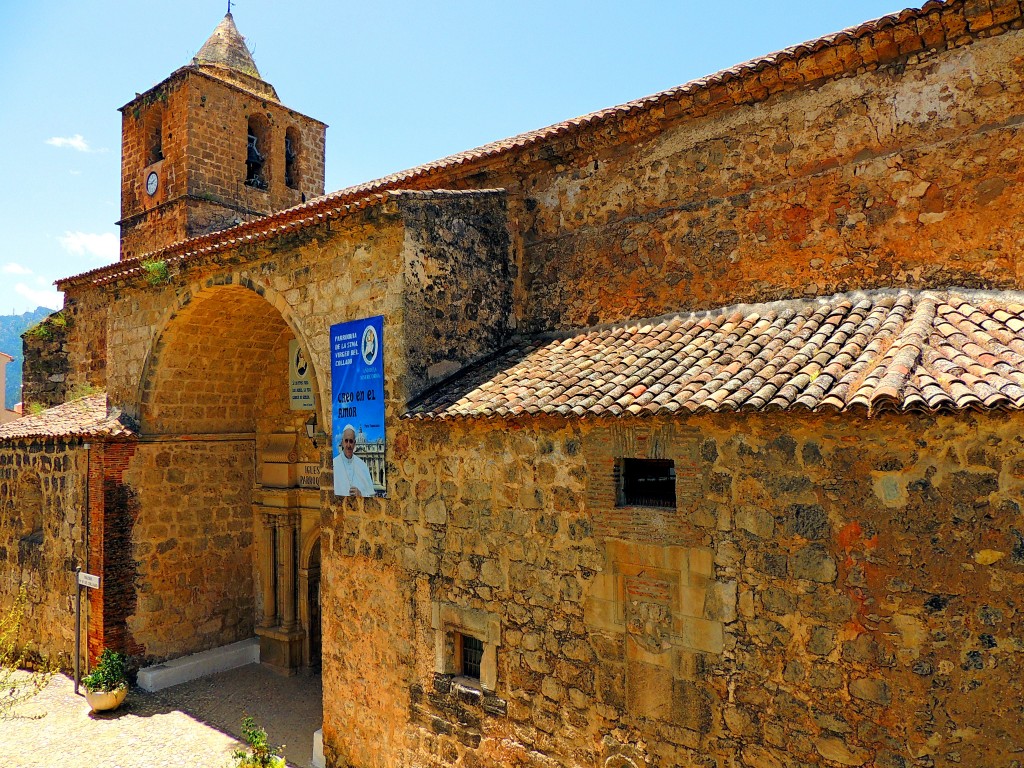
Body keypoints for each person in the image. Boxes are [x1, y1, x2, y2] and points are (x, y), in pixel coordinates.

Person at [333, 424, 376, 497]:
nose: (348, 445)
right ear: (342, 442)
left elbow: (371, 496)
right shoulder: (334, 464)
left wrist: (361, 495)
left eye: (351, 441)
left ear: (355, 443)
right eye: (346, 441)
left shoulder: (363, 465)